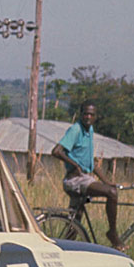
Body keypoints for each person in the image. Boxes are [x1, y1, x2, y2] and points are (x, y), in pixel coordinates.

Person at [51, 102, 123, 249]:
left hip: (84, 177)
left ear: (95, 117)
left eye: (91, 114)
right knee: (112, 193)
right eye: (85, 113)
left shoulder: (89, 130)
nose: (88, 117)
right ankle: (112, 233)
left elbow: (92, 163)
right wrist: (75, 165)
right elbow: (56, 151)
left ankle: (64, 251)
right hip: (75, 179)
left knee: (75, 224)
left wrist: (107, 181)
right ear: (80, 114)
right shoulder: (76, 130)